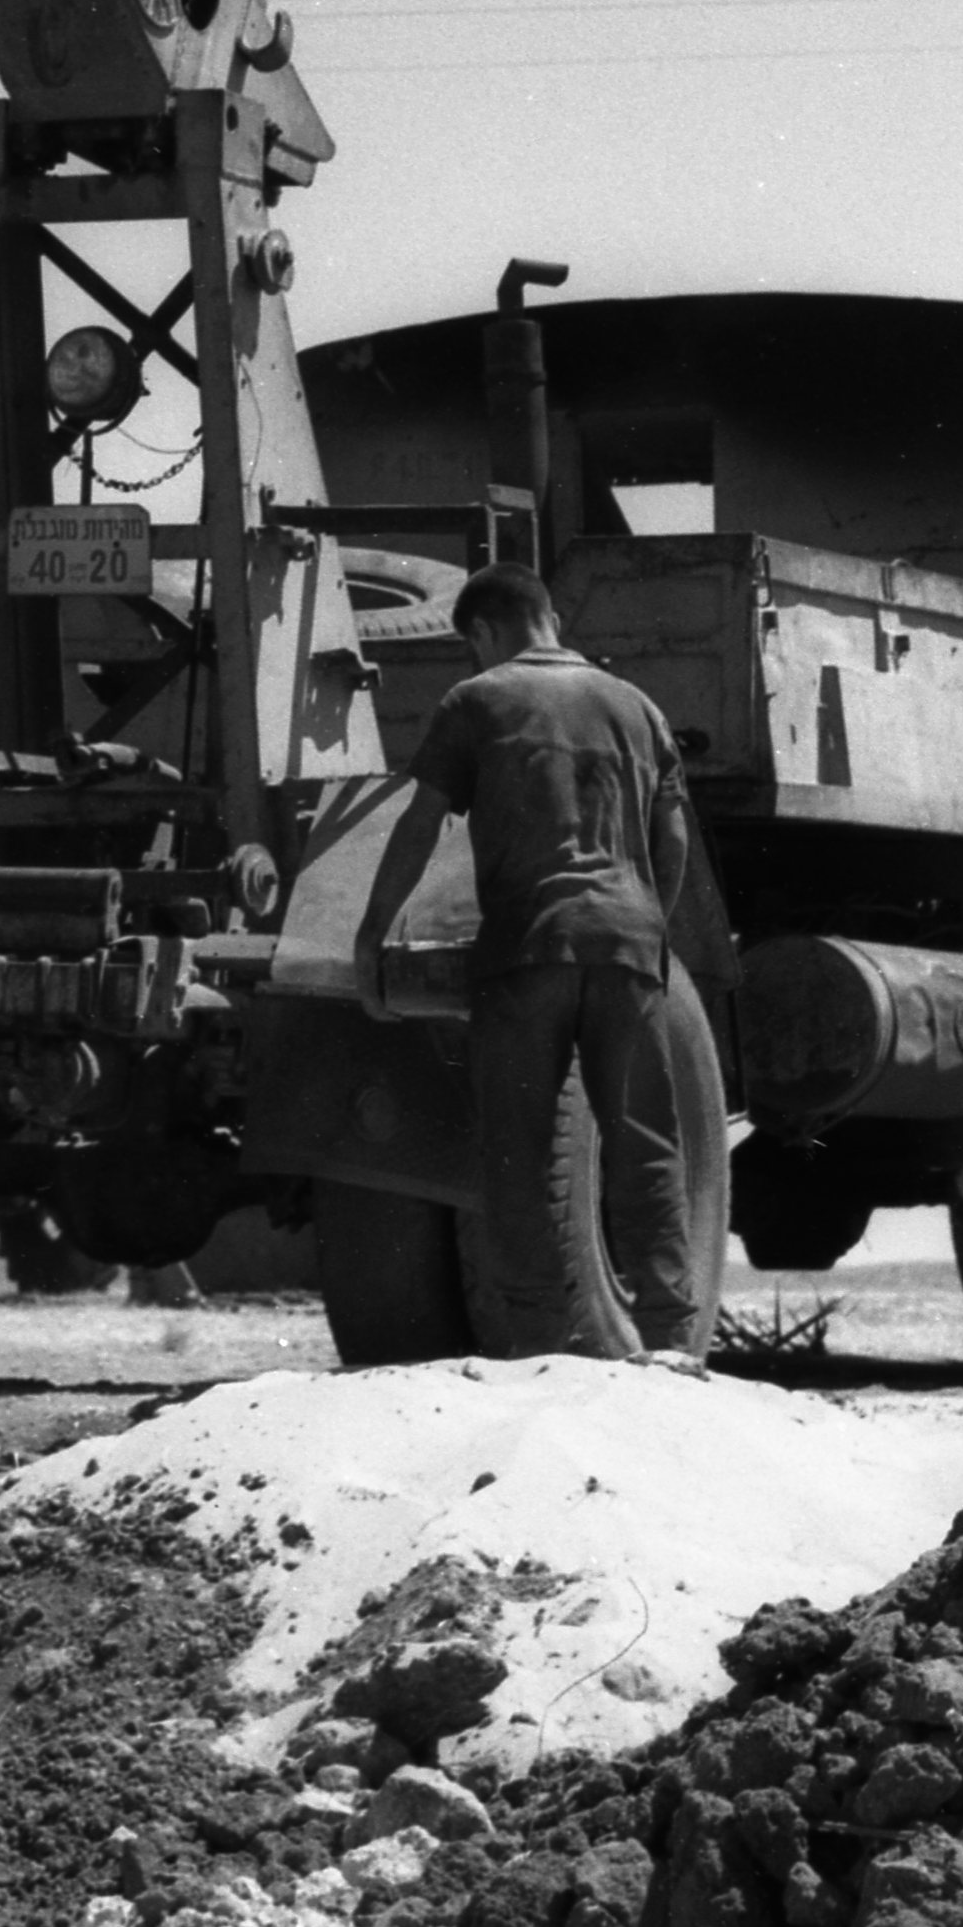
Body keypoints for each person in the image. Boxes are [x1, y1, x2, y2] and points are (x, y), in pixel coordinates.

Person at [359, 561, 726, 1356]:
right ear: (550, 617)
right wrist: (646, 926)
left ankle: (534, 1340)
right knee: (646, 1143)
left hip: (527, 950)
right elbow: (673, 838)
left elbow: (419, 824)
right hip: (627, 950)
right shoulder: (636, 706)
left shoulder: (479, 700)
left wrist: (372, 934)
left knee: (515, 1152)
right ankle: (669, 1337)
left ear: (486, 631)